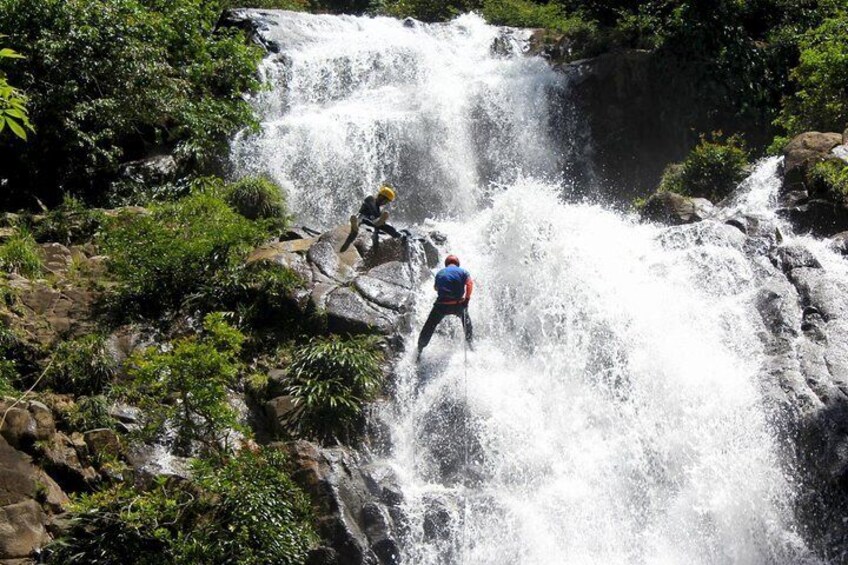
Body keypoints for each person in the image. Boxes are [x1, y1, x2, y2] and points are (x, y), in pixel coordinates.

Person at [417, 254, 473, 359]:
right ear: (458, 264)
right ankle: (470, 345)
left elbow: (436, 288)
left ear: (446, 264)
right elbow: (470, 284)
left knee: (428, 327)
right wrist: (467, 300)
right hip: (458, 305)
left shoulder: (439, 273)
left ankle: (419, 351)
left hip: (442, 306)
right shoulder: (463, 271)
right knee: (468, 324)